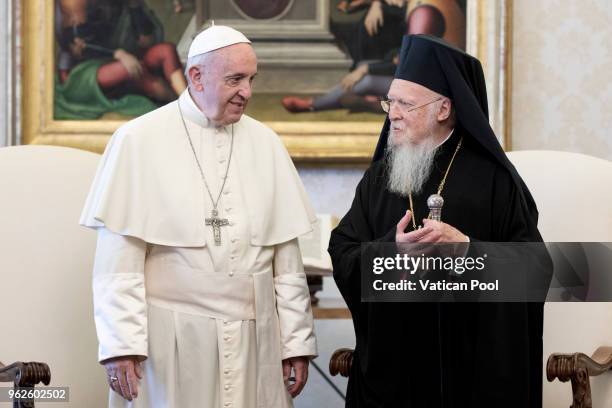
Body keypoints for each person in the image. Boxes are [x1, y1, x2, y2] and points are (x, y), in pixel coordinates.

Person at [80, 25, 317, 408]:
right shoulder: (137, 140)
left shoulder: (267, 144)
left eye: (251, 79)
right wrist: (120, 343)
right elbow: (118, 261)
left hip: (255, 341)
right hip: (171, 337)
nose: (247, 92)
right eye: (235, 79)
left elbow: (286, 261)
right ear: (196, 77)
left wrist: (297, 341)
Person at [328, 35, 550, 407]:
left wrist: (467, 250)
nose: (392, 113)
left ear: (444, 108)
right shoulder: (380, 179)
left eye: (405, 104)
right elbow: (343, 252)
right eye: (390, 101)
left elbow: (538, 270)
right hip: (393, 378)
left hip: (474, 380)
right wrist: (389, 251)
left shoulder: (496, 182)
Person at [282, 0, 465, 114]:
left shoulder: (423, 12)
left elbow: (408, 64)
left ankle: (313, 105)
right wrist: (376, 4)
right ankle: (376, 101)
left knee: (367, 79)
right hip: (417, 75)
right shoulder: (415, 5)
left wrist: (365, 70)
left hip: (429, 86)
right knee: (365, 64)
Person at [55, 0, 187, 119]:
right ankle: (180, 108)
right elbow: (77, 48)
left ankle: (186, 100)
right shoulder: (74, 2)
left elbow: (146, 40)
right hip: (83, 71)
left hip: (128, 57)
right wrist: (117, 54)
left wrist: (135, 7)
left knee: (166, 50)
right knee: (134, 69)